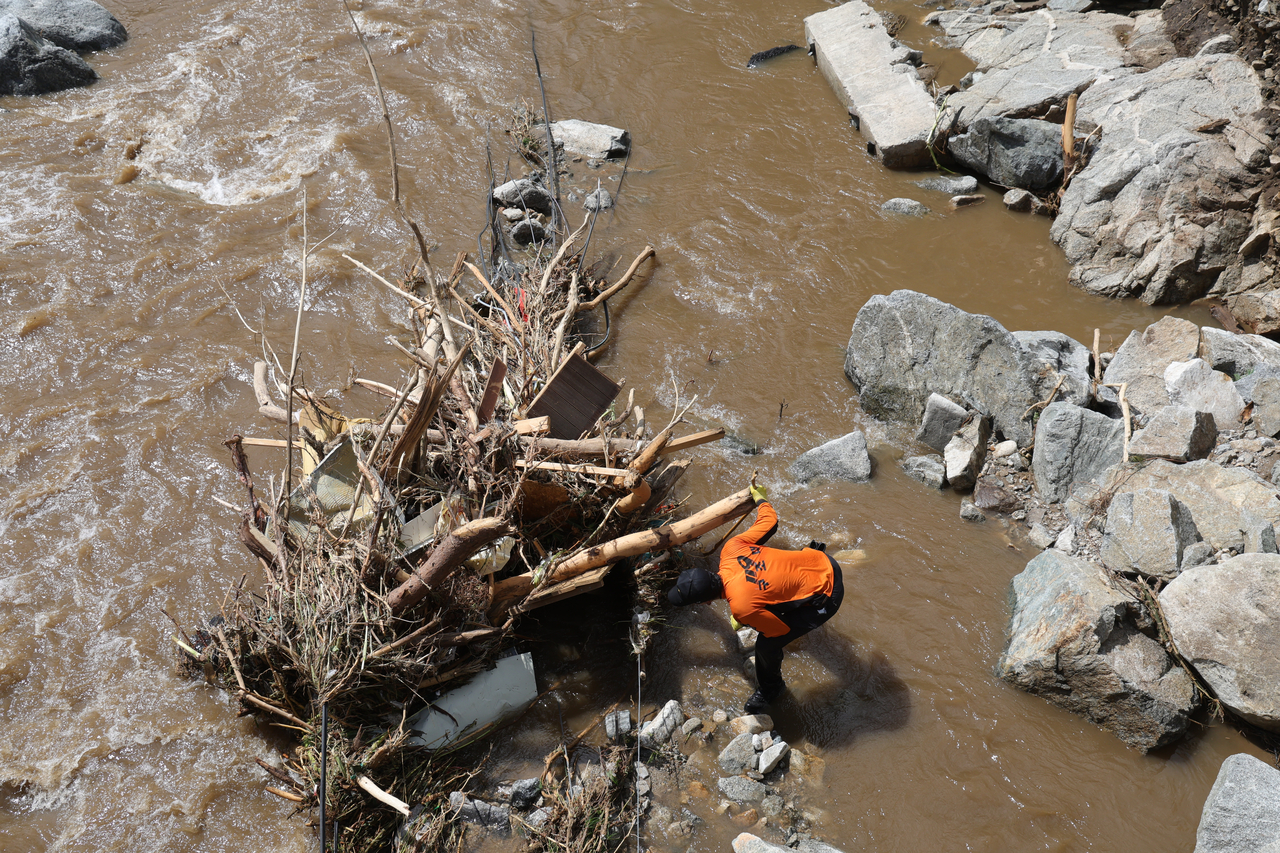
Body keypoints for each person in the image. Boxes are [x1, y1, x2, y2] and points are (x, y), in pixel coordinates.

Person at [666, 483, 845, 715]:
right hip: (822, 560)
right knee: (770, 608)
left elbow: (778, 630)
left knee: (766, 644)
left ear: (705, 602)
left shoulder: (742, 607)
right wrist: (760, 499)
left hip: (829, 593)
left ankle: (772, 688)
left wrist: (749, 619)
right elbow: (770, 523)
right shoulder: (730, 550)